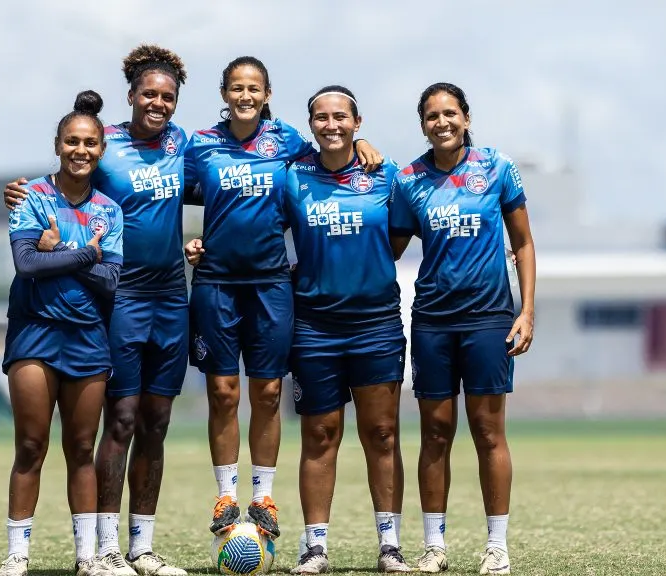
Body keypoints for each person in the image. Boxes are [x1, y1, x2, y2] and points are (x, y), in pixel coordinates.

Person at [3, 45, 191, 576]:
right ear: (130, 96)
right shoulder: (105, 147)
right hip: (114, 304)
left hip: (169, 294)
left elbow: (231, 177)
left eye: (167, 95)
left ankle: (140, 548)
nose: (157, 102)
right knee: (119, 419)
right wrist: (22, 196)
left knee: (156, 420)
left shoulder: (183, 143)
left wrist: (60, 253)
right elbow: (57, 193)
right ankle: (101, 547)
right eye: (148, 93)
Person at [183, 57, 384, 540]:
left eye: (254, 88)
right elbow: (170, 194)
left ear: (267, 93)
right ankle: (226, 495)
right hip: (215, 281)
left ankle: (262, 496)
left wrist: (361, 143)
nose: (245, 95)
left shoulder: (289, 140)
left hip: (273, 282)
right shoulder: (202, 144)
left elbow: (328, 155)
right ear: (225, 93)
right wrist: (189, 243)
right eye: (236, 87)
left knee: (268, 392)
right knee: (223, 391)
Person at [389, 83, 536, 575]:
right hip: (432, 319)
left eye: (450, 113)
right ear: (423, 124)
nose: (442, 122)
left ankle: (497, 546)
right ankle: (435, 546)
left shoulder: (497, 167)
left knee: (488, 431)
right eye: (432, 116)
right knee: (435, 432)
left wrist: (527, 310)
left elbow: (524, 242)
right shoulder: (410, 179)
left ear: (466, 118)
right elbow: (387, 247)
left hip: (490, 318)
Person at [282, 86, 411, 574]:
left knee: (381, 433)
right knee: (320, 434)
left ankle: (390, 545)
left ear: (358, 122)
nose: (330, 124)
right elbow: (257, 228)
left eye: (340, 117)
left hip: (376, 323)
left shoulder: (386, 174)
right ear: (310, 125)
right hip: (313, 326)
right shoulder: (293, 177)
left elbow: (397, 240)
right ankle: (315, 547)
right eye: (321, 117)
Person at [0, 90, 124, 576]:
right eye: (72, 141)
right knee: (31, 446)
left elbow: (111, 282)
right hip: (34, 332)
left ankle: (86, 557)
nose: (81, 150)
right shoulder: (30, 196)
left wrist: (62, 252)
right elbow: (27, 263)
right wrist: (85, 254)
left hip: (88, 336)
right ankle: (17, 556)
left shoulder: (109, 212)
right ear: (58, 144)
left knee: (81, 448)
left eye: (90, 143)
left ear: (101, 149)